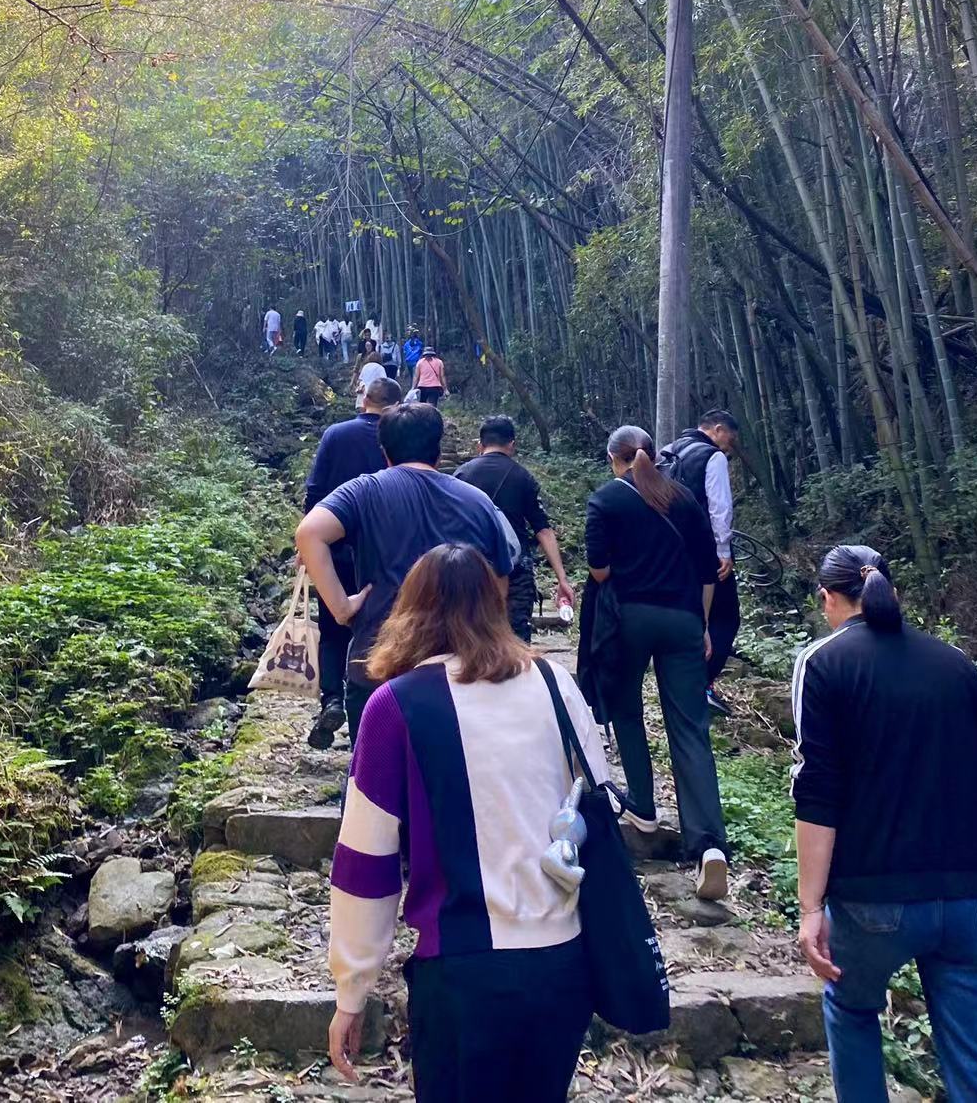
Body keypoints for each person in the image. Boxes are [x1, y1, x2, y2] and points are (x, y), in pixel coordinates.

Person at [326, 543, 609, 1101]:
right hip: (563, 960)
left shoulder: (394, 707)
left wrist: (351, 990)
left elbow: (365, 866)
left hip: (463, 970)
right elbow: (597, 803)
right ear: (494, 604)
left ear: (408, 611)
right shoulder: (554, 683)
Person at [793, 545, 977, 1103]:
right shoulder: (956, 664)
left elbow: (817, 792)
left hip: (873, 896)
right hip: (976, 894)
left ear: (827, 599)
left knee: (851, 1008)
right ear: (892, 591)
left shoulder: (824, 662)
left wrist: (811, 908)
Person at [295, 402, 515, 743]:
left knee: (377, 771)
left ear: (385, 452)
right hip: (461, 666)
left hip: (380, 661)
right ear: (438, 450)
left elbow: (309, 533)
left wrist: (341, 607)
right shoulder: (478, 501)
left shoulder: (364, 491)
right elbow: (499, 583)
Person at [585, 424, 728, 899]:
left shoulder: (607, 499)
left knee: (627, 710)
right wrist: (702, 624)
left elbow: (599, 570)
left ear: (615, 458)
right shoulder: (683, 499)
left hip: (628, 620)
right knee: (690, 727)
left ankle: (642, 808)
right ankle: (708, 843)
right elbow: (708, 572)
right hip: (684, 619)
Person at [302, 375, 403, 750]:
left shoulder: (336, 434)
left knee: (331, 629)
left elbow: (315, 491)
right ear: (395, 405)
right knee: (381, 627)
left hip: (333, 548)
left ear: (365, 400)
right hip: (381, 551)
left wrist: (307, 544)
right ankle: (377, 706)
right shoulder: (398, 438)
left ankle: (332, 698)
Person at [455, 415, 575, 642]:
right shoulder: (523, 477)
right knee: (517, 640)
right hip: (516, 571)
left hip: (471, 569)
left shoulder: (461, 475)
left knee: (470, 638)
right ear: (512, 444)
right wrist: (562, 579)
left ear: (480, 445)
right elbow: (543, 530)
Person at [660, 410, 741, 716]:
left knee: (687, 615)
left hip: (670, 552)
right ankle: (701, 683)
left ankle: (679, 683)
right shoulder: (712, 457)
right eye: (729, 439)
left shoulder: (667, 451)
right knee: (726, 617)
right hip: (705, 551)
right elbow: (720, 507)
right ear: (717, 430)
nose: (729, 447)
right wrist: (723, 551)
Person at [351, 347, 386, 412]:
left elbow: (360, 379)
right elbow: (384, 381)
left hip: (363, 391)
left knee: (363, 412)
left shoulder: (365, 366)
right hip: (374, 392)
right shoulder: (380, 368)